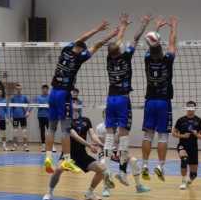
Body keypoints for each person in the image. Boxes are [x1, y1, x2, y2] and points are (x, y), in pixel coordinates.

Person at [44, 20, 120, 174]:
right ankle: (66, 160)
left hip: (52, 93)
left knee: (51, 128)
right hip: (63, 94)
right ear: (82, 50)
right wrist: (110, 36)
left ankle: (48, 157)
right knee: (65, 130)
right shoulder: (80, 57)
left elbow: (82, 38)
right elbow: (97, 45)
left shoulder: (65, 50)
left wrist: (97, 28)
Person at [103, 13, 151, 187]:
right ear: (119, 50)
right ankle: (122, 172)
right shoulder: (126, 57)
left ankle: (107, 171)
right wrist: (144, 24)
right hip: (123, 100)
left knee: (109, 137)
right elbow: (136, 38)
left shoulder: (109, 59)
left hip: (110, 99)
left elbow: (119, 40)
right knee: (123, 137)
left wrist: (122, 25)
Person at [43, 109, 115, 200]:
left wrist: (102, 145)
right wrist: (89, 146)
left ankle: (90, 193)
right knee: (58, 169)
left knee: (103, 169)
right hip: (68, 154)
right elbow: (75, 136)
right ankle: (49, 192)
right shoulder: (67, 121)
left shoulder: (86, 120)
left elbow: (93, 135)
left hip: (82, 155)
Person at [141, 16, 178, 182]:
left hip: (150, 101)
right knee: (163, 136)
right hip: (163, 102)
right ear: (161, 50)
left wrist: (156, 28)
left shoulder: (147, 60)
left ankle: (144, 165)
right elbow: (172, 43)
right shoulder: (167, 60)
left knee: (148, 135)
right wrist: (173, 27)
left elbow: (152, 44)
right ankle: (160, 166)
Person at [96, 110, 150, 196]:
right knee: (104, 164)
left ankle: (139, 186)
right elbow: (100, 143)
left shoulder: (119, 127)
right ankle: (106, 188)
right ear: (103, 116)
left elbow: (122, 142)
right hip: (105, 150)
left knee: (134, 161)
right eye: (106, 115)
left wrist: (118, 151)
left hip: (117, 150)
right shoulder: (100, 127)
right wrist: (102, 154)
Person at [172, 101, 201, 190]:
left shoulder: (199, 121)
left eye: (192, 107)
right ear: (186, 108)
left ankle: (189, 180)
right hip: (182, 145)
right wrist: (182, 136)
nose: (190, 109)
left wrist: (196, 134)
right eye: (189, 107)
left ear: (194, 109)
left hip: (193, 147)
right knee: (184, 160)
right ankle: (183, 181)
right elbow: (173, 133)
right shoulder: (181, 120)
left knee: (194, 175)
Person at [9, 83, 31, 152]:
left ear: (21, 89)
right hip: (15, 117)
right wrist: (11, 116)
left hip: (23, 117)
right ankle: (14, 146)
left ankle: (25, 146)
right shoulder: (13, 97)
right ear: (16, 89)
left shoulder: (24, 97)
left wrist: (28, 112)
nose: (18, 90)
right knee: (15, 131)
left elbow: (30, 105)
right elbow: (11, 108)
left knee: (24, 132)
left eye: (19, 88)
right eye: (17, 89)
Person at [36, 84, 51, 152]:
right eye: (43, 88)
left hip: (49, 116)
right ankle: (43, 146)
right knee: (42, 131)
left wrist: (46, 105)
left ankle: (51, 145)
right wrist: (46, 105)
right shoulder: (39, 97)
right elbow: (38, 106)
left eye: (46, 88)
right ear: (42, 89)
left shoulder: (50, 97)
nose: (45, 90)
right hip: (40, 116)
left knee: (50, 132)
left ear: (48, 89)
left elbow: (52, 106)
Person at [0, 87, 9, 151]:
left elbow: (7, 110)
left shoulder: (4, 100)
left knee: (3, 133)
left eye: (0, 92)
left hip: (2, 119)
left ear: (2, 93)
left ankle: (4, 146)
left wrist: (7, 118)